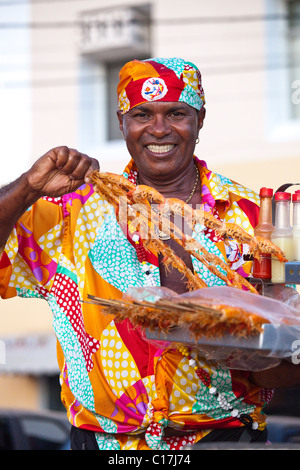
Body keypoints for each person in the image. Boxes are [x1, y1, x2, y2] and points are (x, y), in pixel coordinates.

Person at [0, 57, 300, 450]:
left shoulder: (251, 217)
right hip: (104, 444)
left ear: (200, 118)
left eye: (176, 113)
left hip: (225, 439)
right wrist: (28, 186)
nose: (159, 129)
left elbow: (277, 368)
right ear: (122, 121)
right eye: (142, 114)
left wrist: (269, 350)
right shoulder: (71, 214)